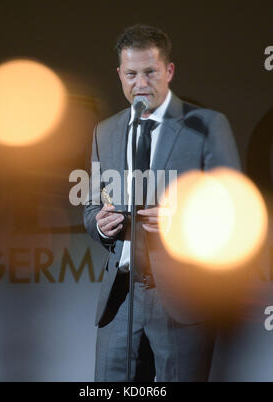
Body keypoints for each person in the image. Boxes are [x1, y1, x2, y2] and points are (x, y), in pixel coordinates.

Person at [83, 24, 241, 382]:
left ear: (169, 71)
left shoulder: (207, 125)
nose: (140, 82)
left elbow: (235, 212)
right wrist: (100, 224)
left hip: (182, 299)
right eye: (131, 73)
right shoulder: (104, 131)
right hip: (120, 298)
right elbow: (91, 206)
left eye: (150, 72)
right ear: (119, 74)